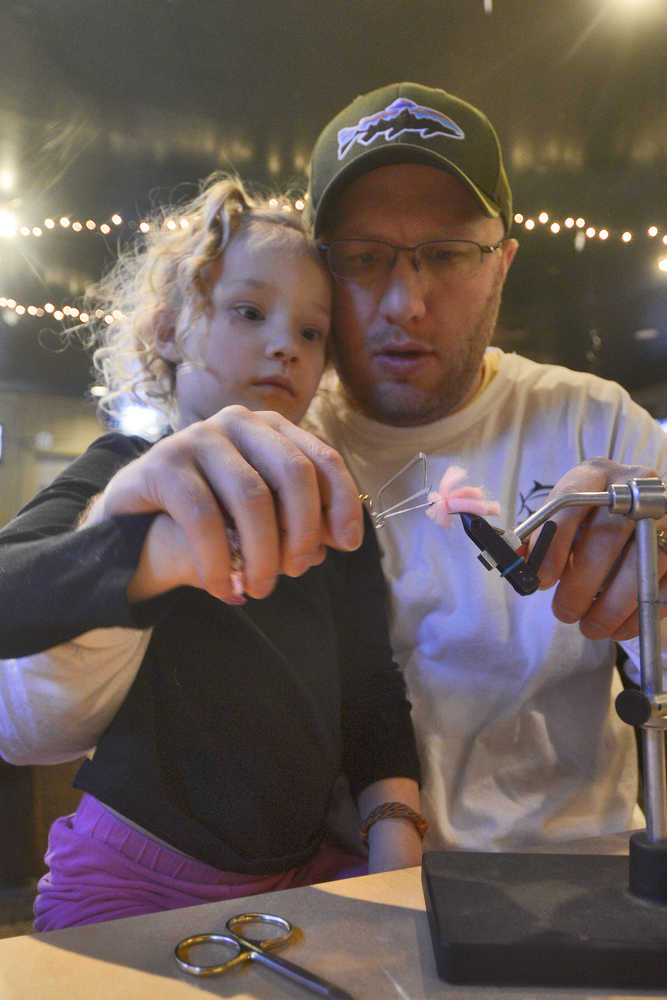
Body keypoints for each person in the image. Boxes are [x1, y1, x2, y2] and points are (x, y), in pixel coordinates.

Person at [1, 83, 665, 855]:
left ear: (501, 265)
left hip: (567, 886)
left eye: (446, 255)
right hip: (310, 907)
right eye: (361, 259)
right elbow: (29, 731)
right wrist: (120, 535)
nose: (404, 303)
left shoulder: (596, 421)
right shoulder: (262, 448)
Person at [0, 175, 423, 930]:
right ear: (167, 330)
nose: (281, 347)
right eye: (249, 312)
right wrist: (137, 543)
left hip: (298, 875)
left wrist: (395, 833)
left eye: (310, 332)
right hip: (130, 873)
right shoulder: (125, 464)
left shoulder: (333, 502)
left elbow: (367, 685)